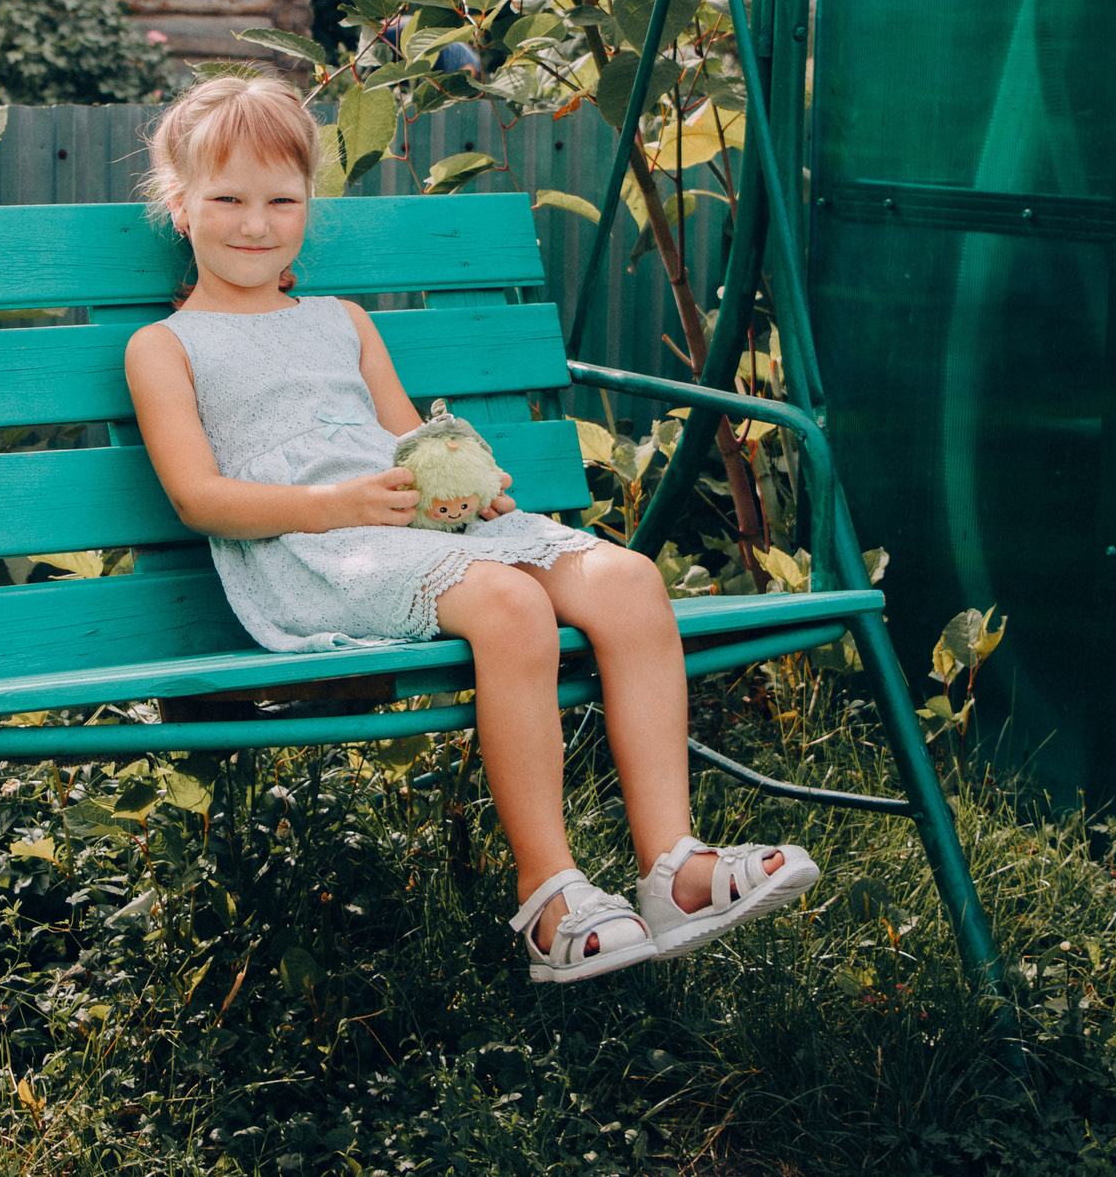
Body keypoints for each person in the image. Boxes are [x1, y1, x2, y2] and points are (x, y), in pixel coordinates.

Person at [123, 73, 819, 984]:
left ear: (308, 206)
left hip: (408, 526)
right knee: (509, 601)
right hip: (314, 552)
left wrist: (466, 481)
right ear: (180, 205)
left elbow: (408, 443)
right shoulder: (167, 346)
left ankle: (674, 866)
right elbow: (197, 497)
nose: (255, 223)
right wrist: (334, 506)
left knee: (627, 580)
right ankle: (550, 896)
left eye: (280, 200)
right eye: (227, 199)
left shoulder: (342, 321)